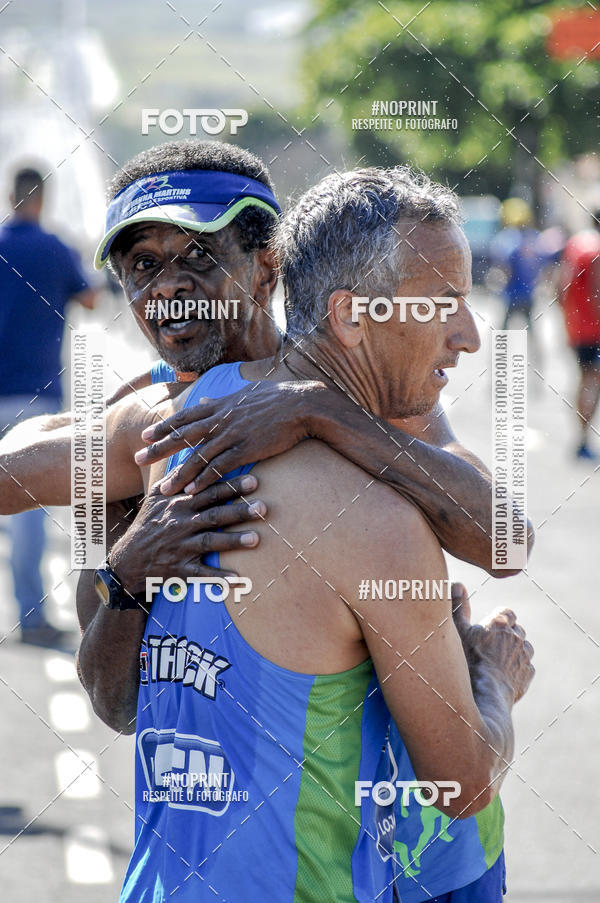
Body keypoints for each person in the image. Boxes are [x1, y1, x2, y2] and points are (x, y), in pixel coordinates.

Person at [0, 164, 535, 902]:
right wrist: (117, 551)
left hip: (430, 857)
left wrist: (324, 412)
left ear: (267, 266)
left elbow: (507, 537)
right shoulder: (159, 423)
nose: (168, 288)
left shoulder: (378, 389)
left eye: (199, 257)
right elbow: (117, 699)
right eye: (142, 267)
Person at [0, 166, 97, 646]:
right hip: (34, 394)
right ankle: (31, 616)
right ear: (44, 198)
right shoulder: (56, 248)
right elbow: (95, 299)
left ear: (9, 194)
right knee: (26, 510)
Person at [559, 210, 600, 460]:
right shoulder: (596, 249)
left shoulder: (575, 244)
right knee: (592, 382)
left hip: (576, 327)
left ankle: (581, 437)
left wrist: (566, 318)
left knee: (584, 379)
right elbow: (597, 293)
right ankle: (583, 438)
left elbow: (559, 284)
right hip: (595, 330)